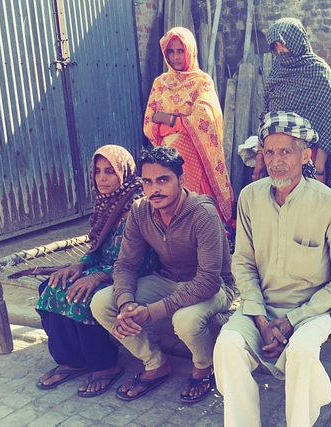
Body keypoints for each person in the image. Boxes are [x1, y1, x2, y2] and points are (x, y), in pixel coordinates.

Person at [214, 112, 331, 426]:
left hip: (311, 310)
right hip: (260, 308)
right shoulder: (250, 198)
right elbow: (243, 262)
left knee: (303, 352)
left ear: (305, 155)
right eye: (269, 152)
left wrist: (294, 320)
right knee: (227, 345)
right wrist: (261, 318)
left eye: (286, 151)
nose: (276, 161)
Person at [90, 145, 236, 403]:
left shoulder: (203, 213)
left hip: (215, 288)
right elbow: (125, 264)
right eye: (147, 181)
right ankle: (155, 363)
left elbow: (209, 281)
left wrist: (151, 311)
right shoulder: (140, 211)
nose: (154, 189)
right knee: (102, 303)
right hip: (167, 279)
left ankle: (204, 366)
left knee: (185, 320)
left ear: (182, 180)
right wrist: (127, 303)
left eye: (163, 180)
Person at [36, 145, 156, 397]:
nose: (101, 178)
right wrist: (78, 265)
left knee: (86, 297)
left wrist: (100, 276)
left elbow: (148, 260)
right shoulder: (106, 203)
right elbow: (97, 247)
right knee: (51, 287)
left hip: (132, 273)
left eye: (110, 171)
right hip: (102, 266)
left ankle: (105, 366)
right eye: (98, 171)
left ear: (124, 173)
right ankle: (73, 360)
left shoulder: (139, 206)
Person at [143, 26, 234, 225]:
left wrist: (169, 120)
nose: (175, 57)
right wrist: (181, 121)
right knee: (169, 202)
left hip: (195, 153)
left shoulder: (202, 82)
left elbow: (205, 119)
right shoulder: (160, 83)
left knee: (195, 205)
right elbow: (150, 123)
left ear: (190, 51)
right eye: (171, 51)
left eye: (180, 51)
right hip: (166, 155)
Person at [252, 18, 331, 197]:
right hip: (278, 159)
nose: (280, 50)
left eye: (283, 44)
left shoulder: (319, 72)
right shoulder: (277, 72)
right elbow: (266, 117)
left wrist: (318, 169)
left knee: (314, 211)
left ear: (297, 41)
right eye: (275, 46)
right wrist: (260, 158)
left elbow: (330, 125)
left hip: (311, 158)